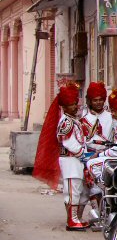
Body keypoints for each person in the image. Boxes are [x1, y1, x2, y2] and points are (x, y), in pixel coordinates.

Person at [32, 82, 90, 230]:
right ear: (64, 107)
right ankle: (72, 220)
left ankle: (76, 218)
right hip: (71, 159)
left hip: (76, 160)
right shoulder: (66, 122)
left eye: (75, 103)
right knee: (72, 190)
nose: (75, 106)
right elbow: (70, 144)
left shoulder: (72, 120)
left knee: (78, 189)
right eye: (71, 104)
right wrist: (85, 154)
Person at [80, 81, 112, 154]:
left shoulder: (111, 117)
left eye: (100, 100)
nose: (98, 102)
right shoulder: (84, 119)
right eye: (95, 100)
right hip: (90, 155)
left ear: (104, 100)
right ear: (90, 101)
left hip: (109, 153)